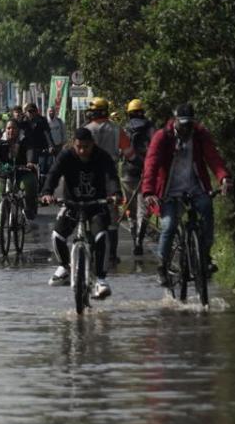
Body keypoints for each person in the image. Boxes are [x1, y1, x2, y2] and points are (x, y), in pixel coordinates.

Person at [141, 103, 231, 287]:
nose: (186, 129)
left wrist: (223, 178)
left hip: (194, 186)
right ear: (175, 121)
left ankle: (204, 256)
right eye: (183, 125)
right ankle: (162, 266)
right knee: (169, 225)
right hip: (169, 190)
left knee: (206, 209)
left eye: (190, 125)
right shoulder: (162, 137)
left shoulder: (199, 135)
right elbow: (151, 165)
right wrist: (148, 191)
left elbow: (213, 157)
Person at [40, 127, 122, 299]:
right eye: (79, 147)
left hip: (96, 205)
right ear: (74, 145)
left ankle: (100, 279)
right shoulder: (66, 156)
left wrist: (115, 194)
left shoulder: (102, 156)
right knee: (57, 236)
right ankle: (64, 267)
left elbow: (111, 176)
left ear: (93, 144)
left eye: (86, 146)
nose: (83, 151)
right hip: (72, 205)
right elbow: (53, 174)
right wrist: (47, 192)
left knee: (101, 237)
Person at [84, 97, 132, 265]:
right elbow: (129, 153)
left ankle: (91, 249)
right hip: (110, 177)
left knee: (88, 212)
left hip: (88, 177)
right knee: (112, 218)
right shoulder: (117, 130)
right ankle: (112, 255)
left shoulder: (86, 130)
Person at [0, 118, 38, 245]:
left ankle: (29, 209)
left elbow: (30, 151)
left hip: (22, 172)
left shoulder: (25, 140)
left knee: (29, 185)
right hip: (3, 174)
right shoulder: (0, 142)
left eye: (14, 128)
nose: (11, 131)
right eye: (8, 128)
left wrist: (29, 162)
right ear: (5, 130)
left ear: (19, 130)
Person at [122, 99, 155, 254]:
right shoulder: (150, 127)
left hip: (127, 173)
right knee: (143, 209)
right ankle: (139, 240)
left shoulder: (126, 128)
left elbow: (122, 149)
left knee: (130, 208)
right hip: (146, 172)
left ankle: (133, 233)